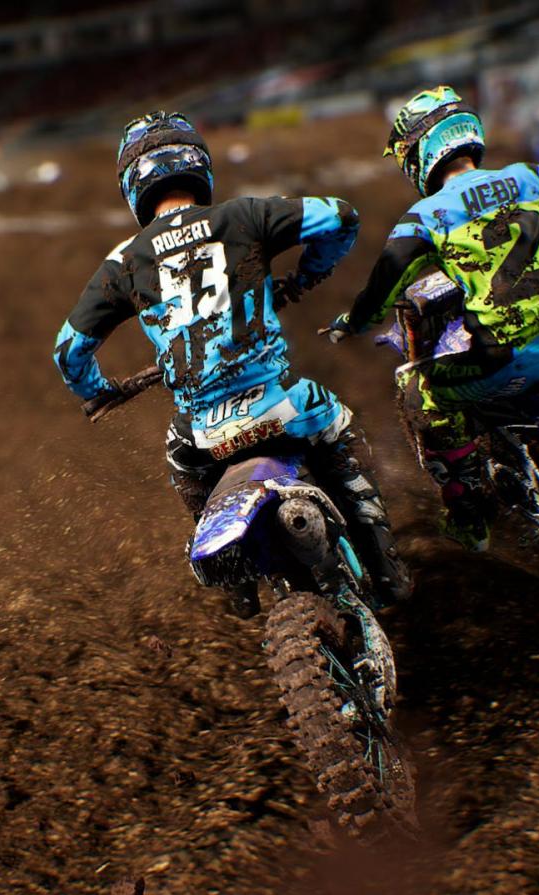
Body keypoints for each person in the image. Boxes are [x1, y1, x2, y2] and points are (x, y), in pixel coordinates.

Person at [54, 111, 411, 610]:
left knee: (181, 463)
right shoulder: (242, 215)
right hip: (279, 403)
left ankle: (238, 584)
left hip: (203, 432)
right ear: (197, 165)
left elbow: (68, 349)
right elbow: (340, 216)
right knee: (338, 429)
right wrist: (308, 275)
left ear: (133, 185)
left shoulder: (124, 261)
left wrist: (98, 391)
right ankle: (386, 568)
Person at [326, 86, 539, 551]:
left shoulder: (428, 215)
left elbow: (382, 288)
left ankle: (470, 511)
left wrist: (352, 323)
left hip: (500, 361)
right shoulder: (530, 177)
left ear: (418, 152)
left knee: (420, 392)